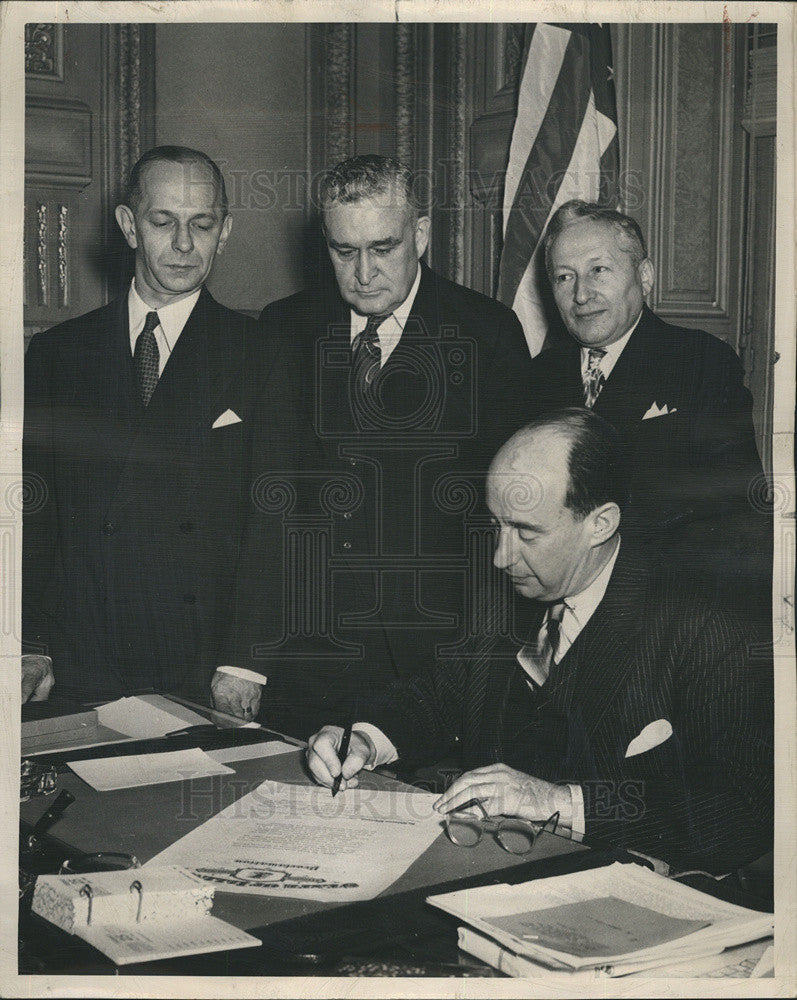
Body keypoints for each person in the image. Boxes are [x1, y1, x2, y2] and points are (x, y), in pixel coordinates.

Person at [306, 410, 773, 872]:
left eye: (526, 532)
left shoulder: (710, 626)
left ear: (601, 523)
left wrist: (559, 801)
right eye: (496, 526)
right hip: (485, 868)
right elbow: (439, 695)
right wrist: (364, 740)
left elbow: (743, 813)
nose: (500, 557)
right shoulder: (514, 588)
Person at [220, 154, 536, 733]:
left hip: (433, 665)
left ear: (420, 235)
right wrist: (245, 658)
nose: (363, 273)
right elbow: (269, 499)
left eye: (383, 248)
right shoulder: (286, 327)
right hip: (306, 655)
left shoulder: (487, 333)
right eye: (345, 251)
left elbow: (509, 518)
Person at [22, 145, 295, 704]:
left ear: (225, 230)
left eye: (203, 224)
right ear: (128, 225)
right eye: (163, 222)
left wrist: (246, 661)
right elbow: (34, 508)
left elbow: (277, 516)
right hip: (83, 653)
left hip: (202, 660)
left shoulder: (263, 351)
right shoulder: (59, 353)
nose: (184, 244)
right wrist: (31, 640)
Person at [528, 200, 770, 616]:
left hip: (662, 612)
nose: (581, 294)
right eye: (564, 277)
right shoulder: (537, 377)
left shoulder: (700, 362)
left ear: (644, 276)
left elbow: (737, 514)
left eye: (598, 270)